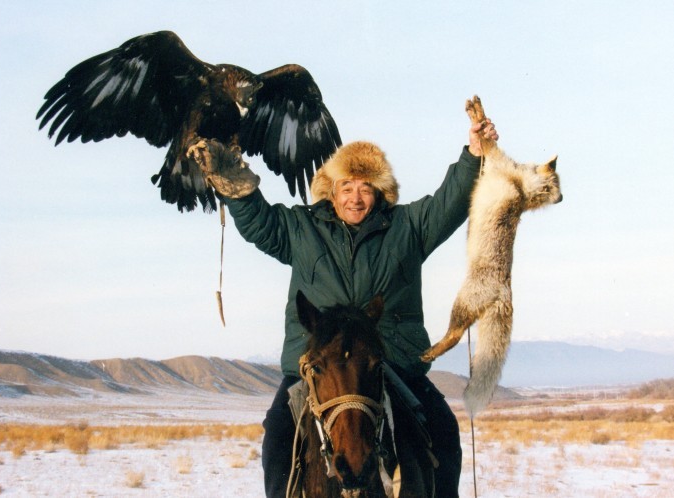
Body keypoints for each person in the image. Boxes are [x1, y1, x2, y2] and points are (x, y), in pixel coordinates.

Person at [212, 118, 498, 497]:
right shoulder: (301, 228)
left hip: (390, 361)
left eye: (365, 188)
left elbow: (450, 204)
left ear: (379, 192)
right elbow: (260, 223)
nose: (355, 198)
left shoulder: (408, 226)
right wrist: (235, 188)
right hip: (316, 366)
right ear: (331, 191)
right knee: (278, 437)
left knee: (442, 429)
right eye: (346, 187)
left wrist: (474, 154)